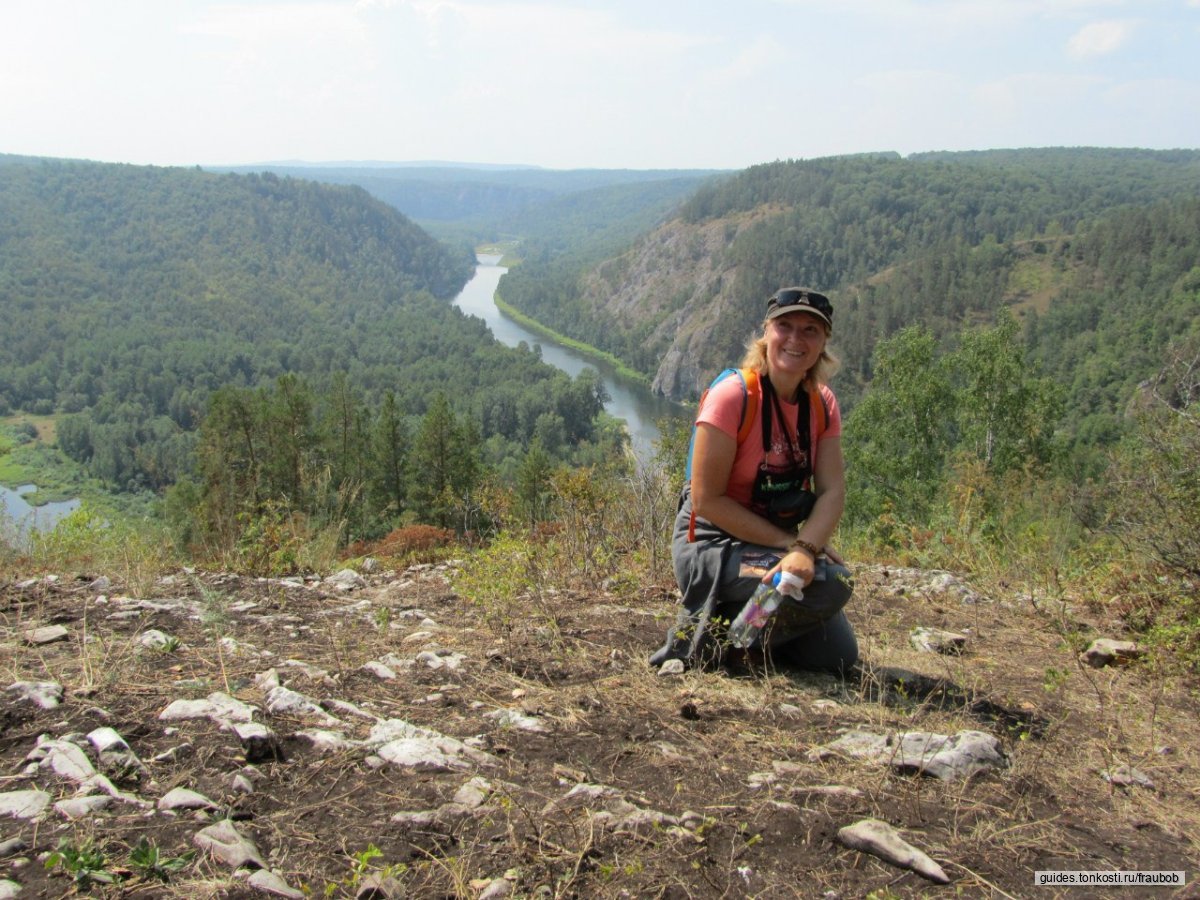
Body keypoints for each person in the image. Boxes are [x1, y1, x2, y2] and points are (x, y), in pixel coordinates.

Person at [649, 287, 857, 672]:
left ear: (823, 341)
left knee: (836, 658)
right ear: (766, 332)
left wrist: (806, 548)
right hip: (711, 545)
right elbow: (706, 500)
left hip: (774, 548)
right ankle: (728, 644)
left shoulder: (821, 405)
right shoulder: (733, 396)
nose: (796, 339)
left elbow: (832, 490)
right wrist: (793, 546)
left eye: (810, 330)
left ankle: (734, 614)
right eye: (785, 326)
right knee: (832, 583)